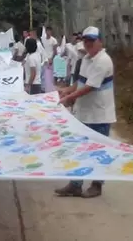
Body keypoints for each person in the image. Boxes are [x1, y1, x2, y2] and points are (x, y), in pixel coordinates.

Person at [55, 26, 115, 199]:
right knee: (79, 148)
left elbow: (89, 87)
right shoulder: (87, 59)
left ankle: (97, 185)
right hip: (83, 113)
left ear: (100, 41)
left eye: (92, 40)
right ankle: (75, 185)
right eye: (86, 41)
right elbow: (81, 83)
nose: (88, 44)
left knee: (98, 151)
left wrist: (69, 97)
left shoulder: (103, 61)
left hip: (99, 115)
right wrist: (66, 90)